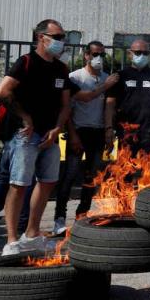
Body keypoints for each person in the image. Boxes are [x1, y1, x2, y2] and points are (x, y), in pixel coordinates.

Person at [0, 19, 74, 255]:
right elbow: (2, 91)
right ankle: (11, 240)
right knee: (19, 184)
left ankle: (32, 234)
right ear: (41, 37)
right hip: (25, 135)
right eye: (57, 37)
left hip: (50, 134)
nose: (61, 41)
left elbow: (66, 105)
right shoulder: (26, 62)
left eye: (62, 37)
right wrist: (25, 117)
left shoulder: (61, 69)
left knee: (48, 182)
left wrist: (58, 128)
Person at [53, 41, 119, 234]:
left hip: (98, 132)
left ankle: (82, 215)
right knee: (69, 175)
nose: (98, 58)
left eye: (102, 55)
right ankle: (59, 218)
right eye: (94, 54)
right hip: (79, 131)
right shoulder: (75, 77)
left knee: (91, 177)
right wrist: (72, 134)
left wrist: (109, 131)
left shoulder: (107, 79)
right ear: (86, 55)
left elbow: (110, 107)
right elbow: (71, 108)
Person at [105, 39, 150, 157]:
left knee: (148, 170)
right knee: (124, 170)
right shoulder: (120, 76)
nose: (142, 56)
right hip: (125, 131)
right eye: (138, 53)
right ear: (130, 53)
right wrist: (108, 128)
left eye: (145, 53)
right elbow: (110, 105)